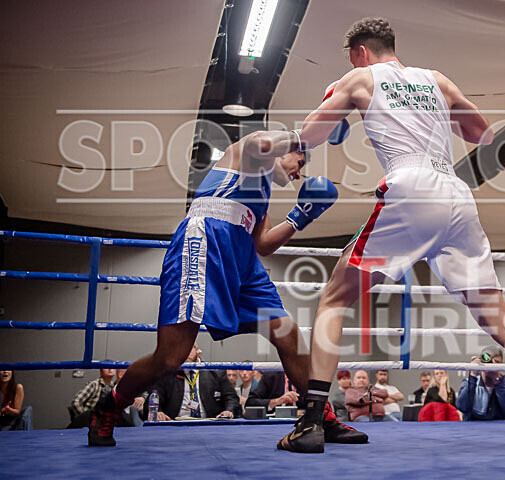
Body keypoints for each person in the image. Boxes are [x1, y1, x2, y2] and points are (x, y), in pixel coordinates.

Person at [279, 16, 505, 454]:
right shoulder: (436, 80)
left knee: (334, 298)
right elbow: (482, 135)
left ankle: (312, 422)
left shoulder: (359, 77)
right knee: (503, 323)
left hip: (410, 189)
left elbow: (309, 136)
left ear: (360, 52)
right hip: (456, 195)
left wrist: (330, 101)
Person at [87, 128, 365, 447]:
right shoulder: (243, 156)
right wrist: (310, 134)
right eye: (299, 162)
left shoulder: (262, 195)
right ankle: (109, 407)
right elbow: (260, 145)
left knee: (287, 332)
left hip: (243, 262)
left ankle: (319, 416)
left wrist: (299, 218)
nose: (299, 173)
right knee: (171, 356)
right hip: (204, 243)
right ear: (285, 151)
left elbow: (262, 245)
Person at [147, 344, 239, 421]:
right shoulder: (167, 374)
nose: (184, 352)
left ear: (197, 350)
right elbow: (154, 397)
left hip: (210, 422)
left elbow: (231, 398)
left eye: (188, 348)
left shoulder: (215, 372)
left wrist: (228, 410)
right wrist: (157, 412)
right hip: (174, 423)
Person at [455, 347, 505, 421]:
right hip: (474, 427)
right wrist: (473, 375)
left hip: (499, 428)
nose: (492, 365)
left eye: (497, 362)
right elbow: (462, 407)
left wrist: (498, 381)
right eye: (489, 361)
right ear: (482, 362)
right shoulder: (469, 381)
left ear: (501, 365)